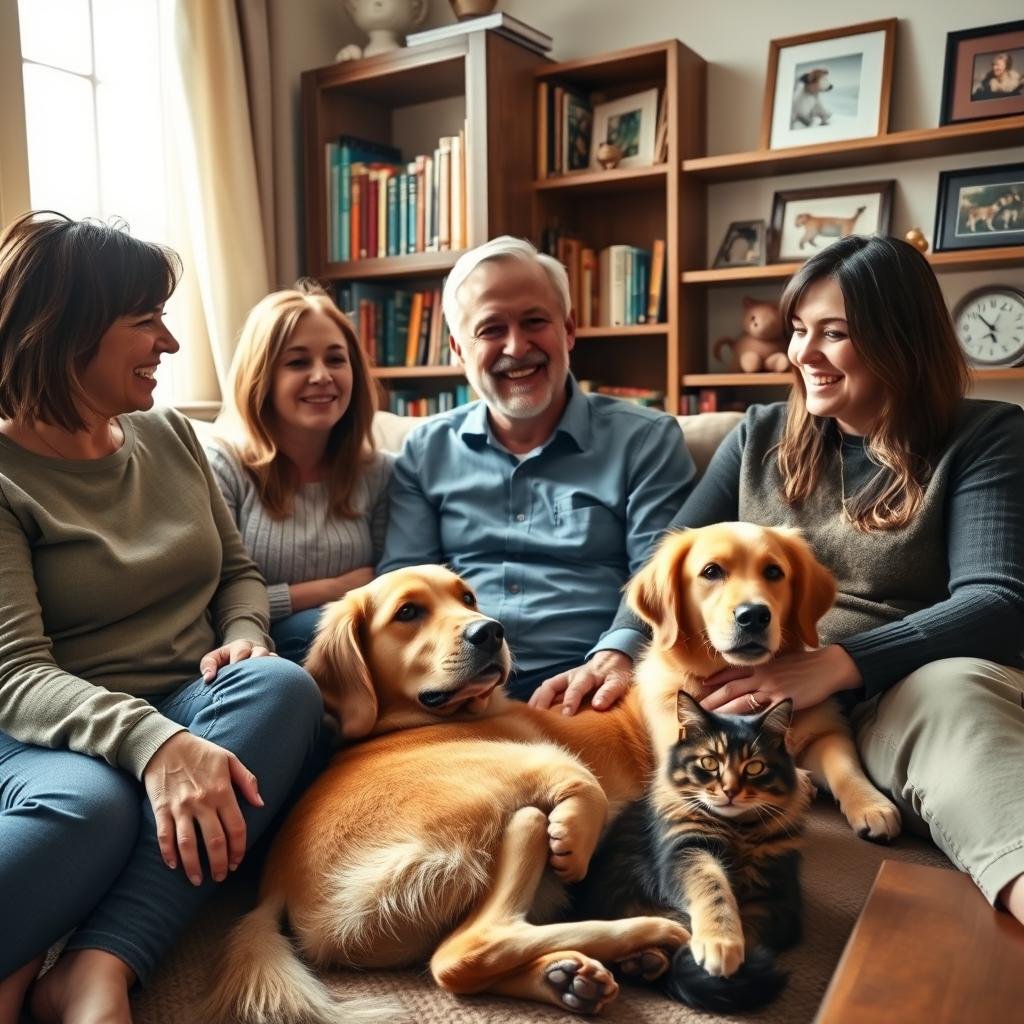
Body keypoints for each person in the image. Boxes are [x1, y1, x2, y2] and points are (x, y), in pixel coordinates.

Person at [610, 234, 1024, 925]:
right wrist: (615, 649)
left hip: (906, 686)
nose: (804, 353)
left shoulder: (984, 435)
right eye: (800, 330)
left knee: (955, 700)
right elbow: (671, 562)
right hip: (762, 705)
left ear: (902, 342)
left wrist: (837, 664)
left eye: (835, 333)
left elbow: (999, 600)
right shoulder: (759, 435)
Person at [0, 212, 325, 1024]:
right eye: (146, 322)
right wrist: (157, 747)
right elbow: (14, 676)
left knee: (282, 688)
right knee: (92, 806)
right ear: (65, 331)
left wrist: (246, 637)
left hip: (190, 700)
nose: (171, 345)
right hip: (52, 731)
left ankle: (97, 962)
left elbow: (239, 577)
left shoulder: (171, 434)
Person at [379, 235, 695, 709]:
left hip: (587, 689)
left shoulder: (646, 441)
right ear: (458, 351)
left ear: (568, 329)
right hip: (457, 694)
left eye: (534, 322)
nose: (516, 346)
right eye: (489, 330)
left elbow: (663, 582)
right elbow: (403, 587)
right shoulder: (425, 451)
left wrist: (616, 653)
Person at [207, 283, 390, 663]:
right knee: (311, 629)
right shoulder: (222, 468)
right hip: (259, 659)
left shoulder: (380, 471)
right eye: (298, 362)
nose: (322, 376)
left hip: (359, 653)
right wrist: (335, 587)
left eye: (336, 360)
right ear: (261, 377)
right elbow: (213, 604)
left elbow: (387, 590)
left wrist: (284, 594)